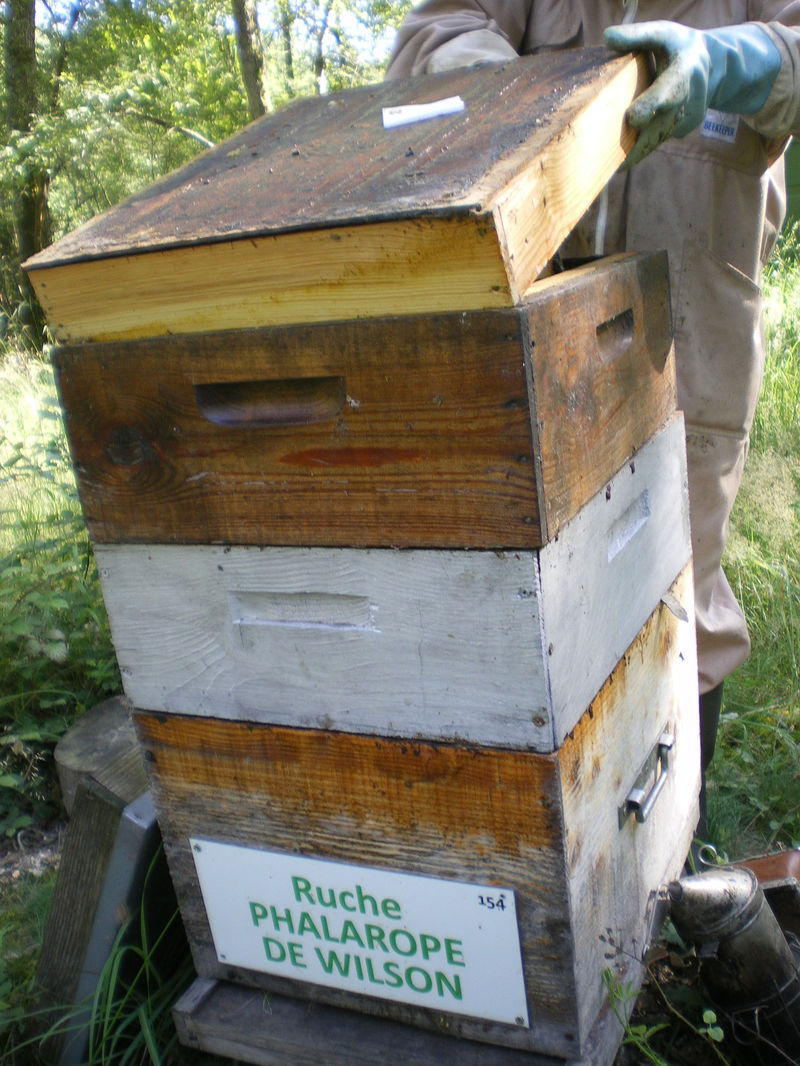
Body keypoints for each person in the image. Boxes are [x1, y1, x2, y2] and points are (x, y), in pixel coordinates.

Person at [386, 1, 800, 838]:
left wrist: (731, 62)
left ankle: (674, 843)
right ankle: (546, 848)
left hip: (696, 315)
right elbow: (431, 30)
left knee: (683, 578)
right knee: (520, 579)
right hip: (524, 305)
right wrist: (521, 87)